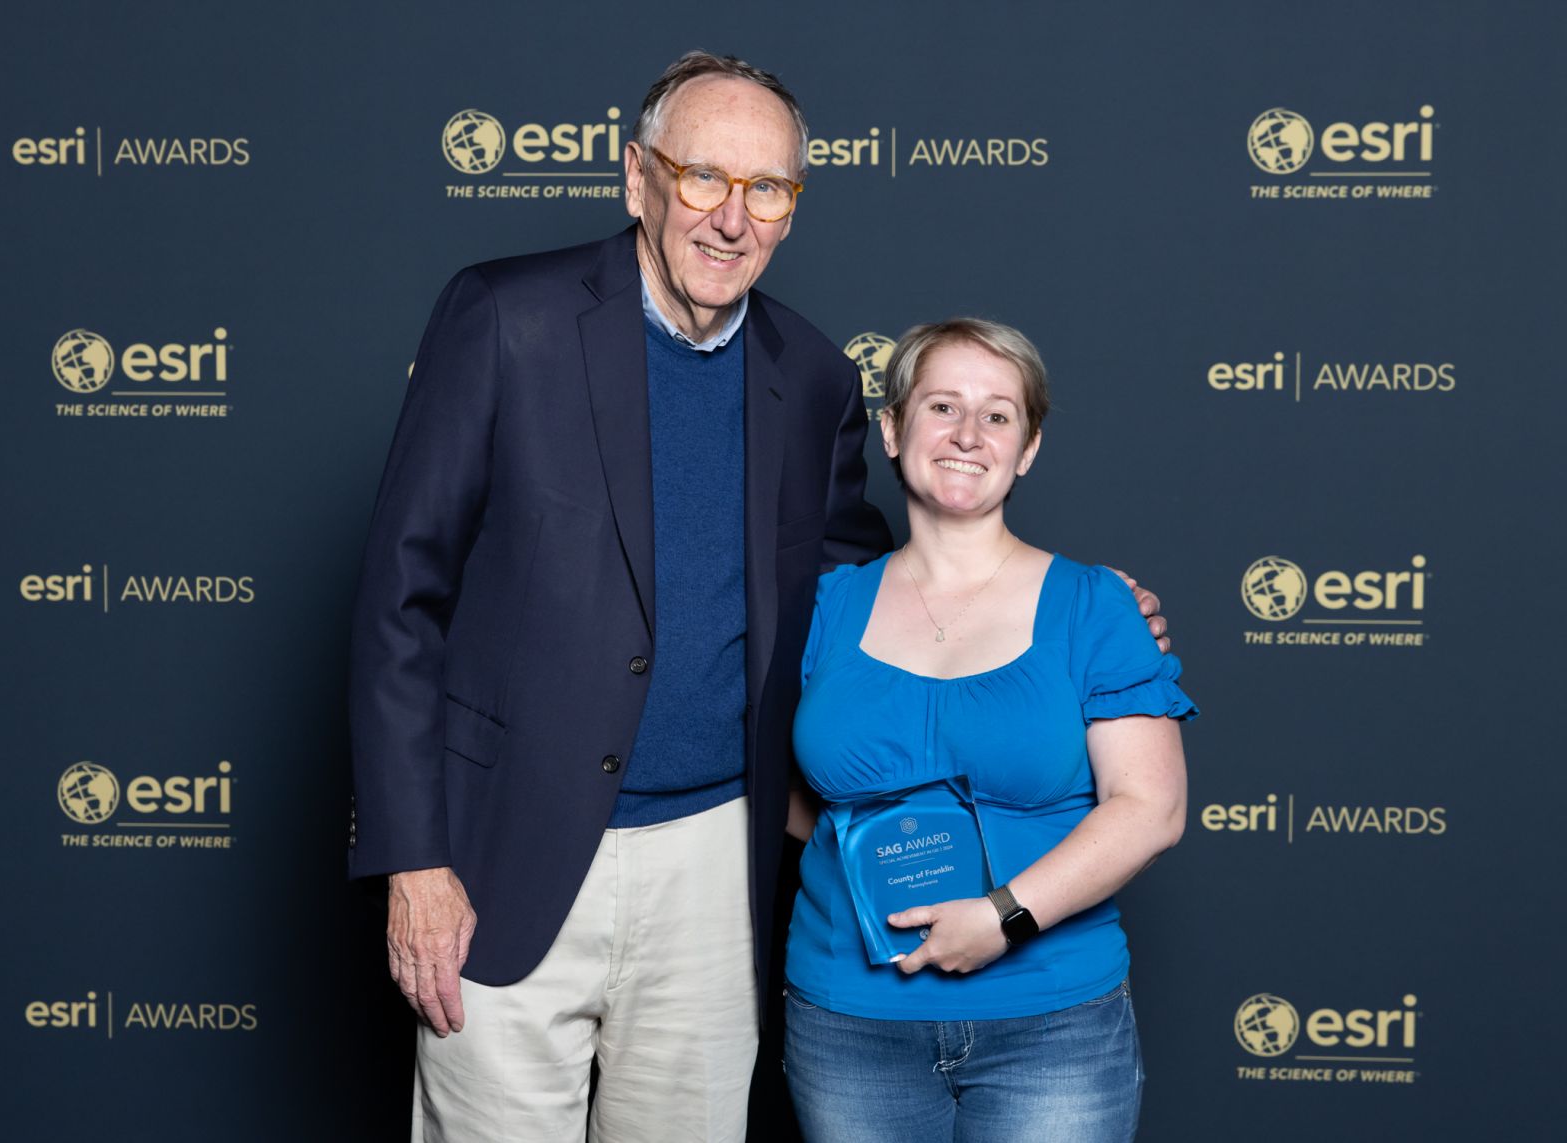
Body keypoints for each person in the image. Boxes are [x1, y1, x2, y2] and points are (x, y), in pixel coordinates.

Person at [349, 51, 1168, 1141]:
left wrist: (1073, 604)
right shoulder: (507, 316)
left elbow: (857, 591)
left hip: (714, 861)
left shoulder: (814, 377)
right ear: (636, 175)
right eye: (703, 178)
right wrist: (415, 856)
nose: (732, 218)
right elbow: (400, 595)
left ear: (791, 207)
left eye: (768, 189)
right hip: (502, 851)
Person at [782, 318, 1195, 1143]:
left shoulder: (1094, 606)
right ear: (894, 430)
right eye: (942, 406)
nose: (969, 434)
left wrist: (1002, 915)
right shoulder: (823, 607)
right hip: (847, 1019)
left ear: (1029, 446)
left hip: (1051, 1023)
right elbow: (790, 798)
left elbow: (1150, 806)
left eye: (998, 414)